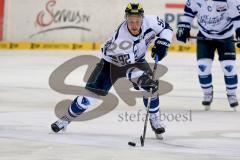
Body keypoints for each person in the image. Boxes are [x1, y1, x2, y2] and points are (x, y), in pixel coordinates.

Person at [51, 3, 173, 138]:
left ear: (142, 19)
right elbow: (126, 68)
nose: (134, 25)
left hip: (136, 60)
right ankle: (65, 119)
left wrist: (163, 43)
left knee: (150, 89)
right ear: (126, 19)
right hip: (110, 64)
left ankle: (155, 119)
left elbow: (166, 28)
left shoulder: (151, 21)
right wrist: (141, 79)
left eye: (137, 21)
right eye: (131, 21)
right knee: (88, 99)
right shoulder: (121, 40)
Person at [176, 0, 240, 111]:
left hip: (225, 37)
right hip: (205, 37)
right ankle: (207, 92)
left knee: (229, 67)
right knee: (203, 67)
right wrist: (183, 27)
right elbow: (188, 13)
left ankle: (231, 93)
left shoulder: (232, 1)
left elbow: (237, 18)